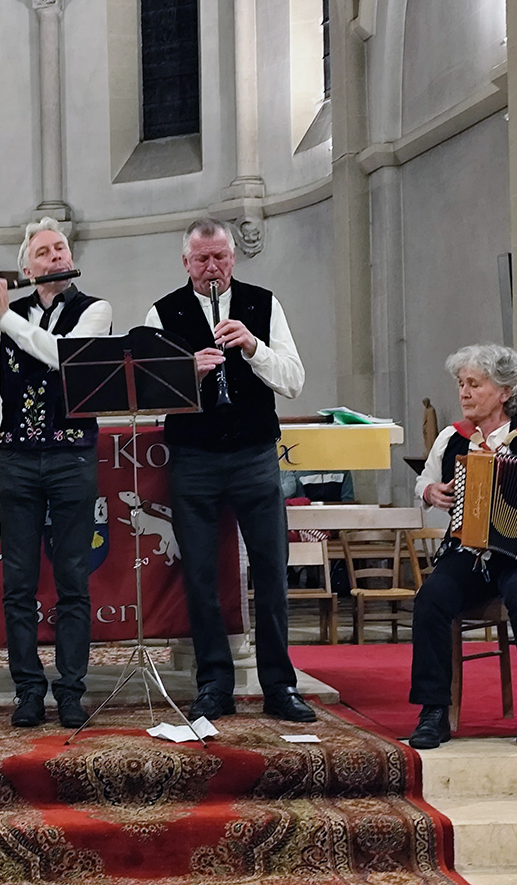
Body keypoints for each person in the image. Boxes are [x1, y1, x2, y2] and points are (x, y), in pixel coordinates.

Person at [0, 217, 112, 728]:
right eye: (44, 252)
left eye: (61, 248)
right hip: (16, 459)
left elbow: (62, 357)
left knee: (73, 578)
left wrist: (6, 316)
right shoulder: (6, 319)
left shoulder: (94, 310)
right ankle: (28, 690)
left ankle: (71, 690)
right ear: (27, 269)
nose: (57, 256)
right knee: (18, 583)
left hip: (72, 457)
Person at [145, 217, 315, 724]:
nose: (212, 267)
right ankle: (214, 684)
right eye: (202, 259)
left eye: (220, 257)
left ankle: (280, 686)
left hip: (254, 455)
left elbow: (294, 381)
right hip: (194, 459)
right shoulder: (162, 312)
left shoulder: (263, 304)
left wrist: (254, 347)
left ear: (233, 258)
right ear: (186, 262)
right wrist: (185, 374)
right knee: (200, 575)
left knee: (272, 570)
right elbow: (148, 397)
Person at [409, 344, 517, 749]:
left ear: (505, 391)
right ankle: (433, 711)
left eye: (475, 384)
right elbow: (425, 481)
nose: (464, 392)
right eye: (461, 383)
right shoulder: (452, 438)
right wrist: (430, 491)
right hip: (472, 556)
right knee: (431, 598)